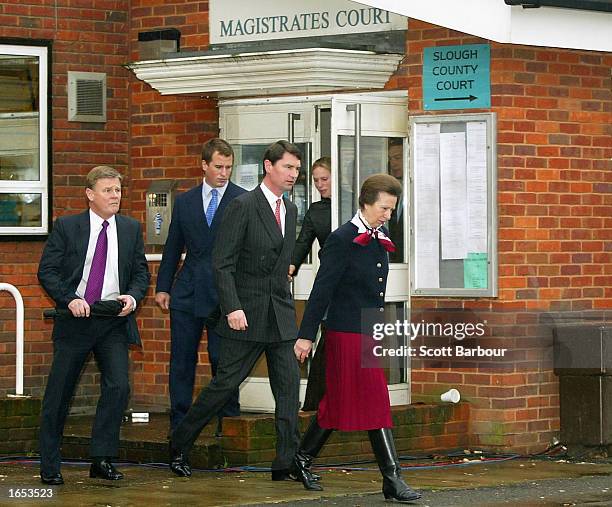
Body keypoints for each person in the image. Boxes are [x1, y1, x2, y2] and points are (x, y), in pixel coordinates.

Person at [169, 140, 303, 482]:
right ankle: (179, 443)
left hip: (280, 316)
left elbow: (282, 265)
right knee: (224, 385)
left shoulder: (290, 210)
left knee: (288, 391)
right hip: (245, 315)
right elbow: (223, 262)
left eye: (297, 169)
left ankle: (285, 462)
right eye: (288, 167)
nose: (293, 174)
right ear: (268, 167)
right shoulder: (243, 205)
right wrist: (232, 307)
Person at [291, 174, 421, 502]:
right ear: (365, 202)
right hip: (345, 333)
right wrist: (305, 336)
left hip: (367, 332)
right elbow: (321, 290)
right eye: (383, 208)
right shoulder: (341, 238)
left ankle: (301, 459)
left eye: (392, 209)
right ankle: (392, 478)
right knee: (377, 400)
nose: (388, 215)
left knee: (336, 403)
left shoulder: (380, 235)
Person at [37, 166, 150, 485]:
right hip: (76, 319)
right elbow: (47, 271)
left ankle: (101, 458)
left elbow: (141, 271)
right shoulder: (67, 226)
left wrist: (133, 296)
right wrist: (68, 298)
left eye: (118, 190)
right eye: (108, 190)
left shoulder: (129, 228)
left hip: (112, 319)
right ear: (90, 194)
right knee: (60, 393)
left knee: (118, 386)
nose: (116, 196)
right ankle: (49, 463)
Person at [155, 138, 246, 436]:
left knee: (224, 361)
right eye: (218, 167)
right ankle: (179, 425)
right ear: (204, 165)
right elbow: (172, 247)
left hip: (226, 294)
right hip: (188, 291)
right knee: (182, 360)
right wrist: (163, 287)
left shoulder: (242, 199)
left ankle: (228, 423)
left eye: (229, 167)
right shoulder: (185, 201)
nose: (223, 173)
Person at [289, 157, 332, 412]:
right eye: (315, 180)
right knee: (325, 336)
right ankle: (315, 405)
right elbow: (303, 241)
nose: (319, 185)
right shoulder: (315, 211)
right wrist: (290, 266)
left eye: (324, 179)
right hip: (328, 279)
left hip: (351, 284)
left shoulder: (353, 205)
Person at [387, 139, 404, 263]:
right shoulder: (392, 189)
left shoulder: (413, 190)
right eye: (391, 159)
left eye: (397, 158)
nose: (393, 163)